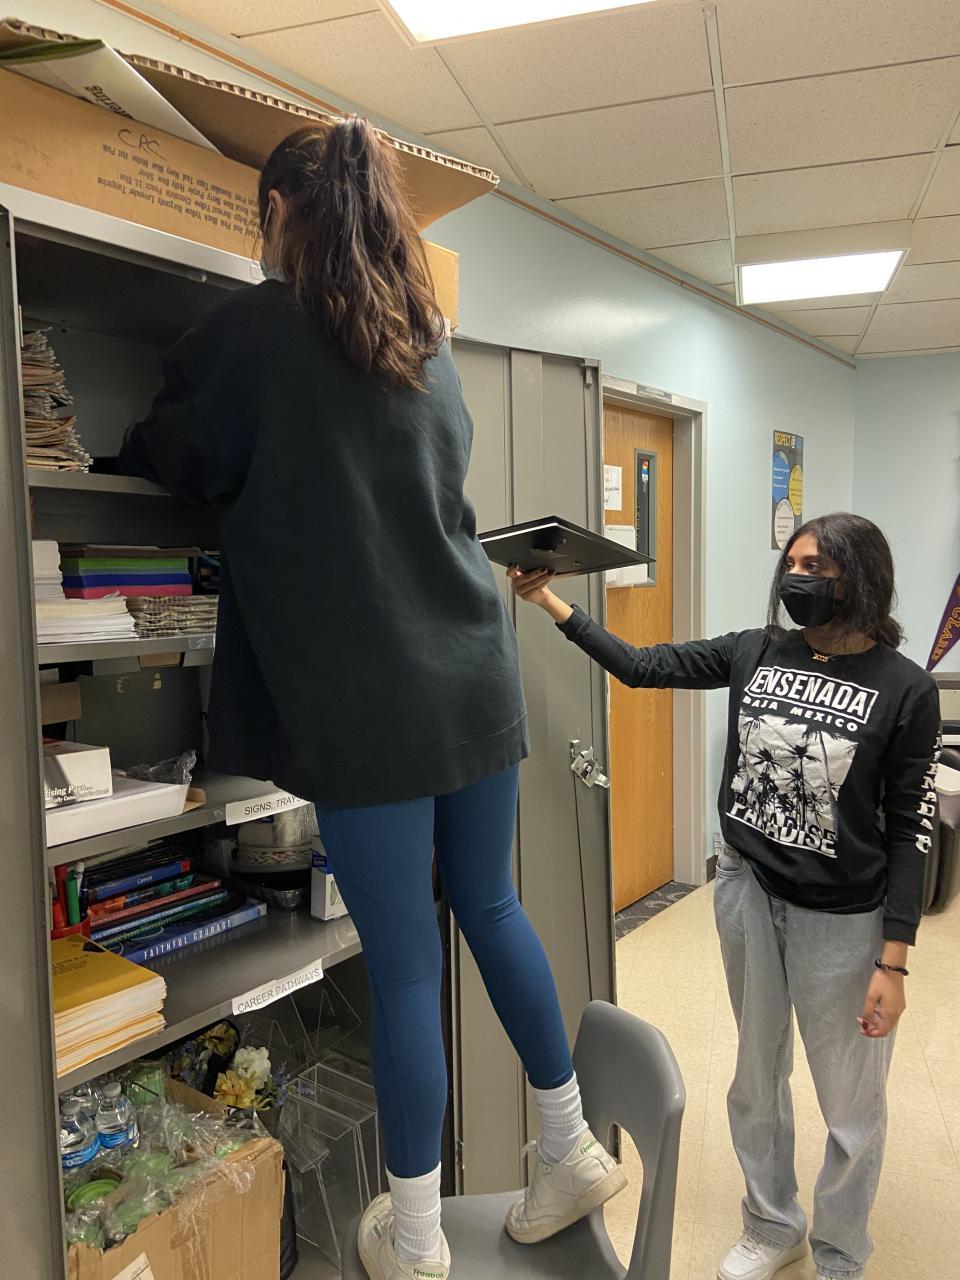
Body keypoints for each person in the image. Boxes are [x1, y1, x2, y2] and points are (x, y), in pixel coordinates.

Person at [119, 119, 625, 1280]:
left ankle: (414, 1240)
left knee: (401, 968)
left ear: (281, 214)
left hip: (371, 702)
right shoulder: (423, 342)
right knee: (492, 908)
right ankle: (570, 1144)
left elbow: (177, 450)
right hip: (475, 675)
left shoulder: (255, 329)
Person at [510, 512, 941, 1280]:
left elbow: (911, 829)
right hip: (749, 894)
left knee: (851, 1107)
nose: (798, 579)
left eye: (817, 567)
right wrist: (550, 604)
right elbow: (642, 666)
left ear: (862, 578)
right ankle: (774, 1225)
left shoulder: (904, 688)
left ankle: (840, 1256)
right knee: (755, 1083)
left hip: (843, 921)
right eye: (793, 565)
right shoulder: (756, 649)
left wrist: (894, 961)